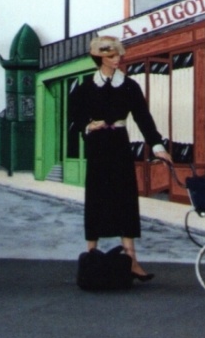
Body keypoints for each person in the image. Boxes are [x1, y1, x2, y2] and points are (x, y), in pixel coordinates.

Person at [69, 35, 171, 282]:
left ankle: (132, 260)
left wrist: (157, 145)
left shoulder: (129, 86)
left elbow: (143, 118)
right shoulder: (84, 86)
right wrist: (87, 126)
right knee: (96, 200)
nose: (117, 60)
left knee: (125, 200)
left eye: (118, 56)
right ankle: (90, 259)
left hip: (119, 147)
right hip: (97, 148)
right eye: (111, 56)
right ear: (99, 58)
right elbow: (73, 122)